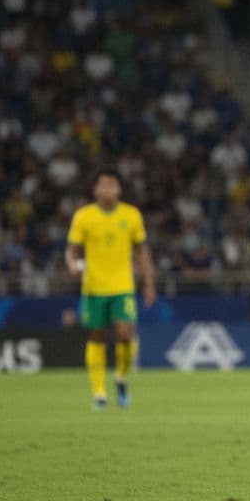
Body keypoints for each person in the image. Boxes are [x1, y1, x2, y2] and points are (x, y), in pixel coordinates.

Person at [65, 168, 156, 410]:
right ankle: (99, 393)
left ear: (119, 190)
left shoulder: (131, 215)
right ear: (96, 190)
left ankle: (121, 378)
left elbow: (142, 252)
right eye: (103, 185)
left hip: (123, 286)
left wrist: (148, 284)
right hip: (93, 288)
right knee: (97, 336)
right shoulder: (83, 217)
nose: (108, 189)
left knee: (125, 333)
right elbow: (72, 250)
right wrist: (72, 265)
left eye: (112, 185)